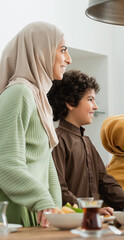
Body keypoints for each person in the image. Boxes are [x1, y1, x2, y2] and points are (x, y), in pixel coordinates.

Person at [47, 70, 124, 215]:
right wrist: (89, 210)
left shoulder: (86, 141)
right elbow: (59, 188)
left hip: (90, 222)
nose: (95, 106)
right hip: (68, 223)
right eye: (90, 99)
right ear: (71, 103)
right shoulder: (57, 141)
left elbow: (105, 181)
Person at [0, 22, 71, 227]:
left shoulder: (37, 97)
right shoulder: (19, 92)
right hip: (15, 216)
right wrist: (42, 201)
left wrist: (55, 209)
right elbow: (6, 162)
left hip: (36, 215)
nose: (68, 59)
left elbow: (45, 162)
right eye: (63, 50)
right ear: (41, 50)